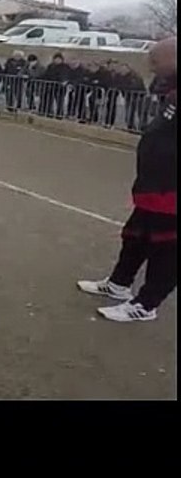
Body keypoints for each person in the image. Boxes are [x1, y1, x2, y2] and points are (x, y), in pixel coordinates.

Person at [77, 37, 177, 322]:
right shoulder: (169, 88)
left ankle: (147, 304)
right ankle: (119, 284)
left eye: (156, 61)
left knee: (165, 247)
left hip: (171, 190)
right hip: (152, 184)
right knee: (135, 236)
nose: (151, 67)